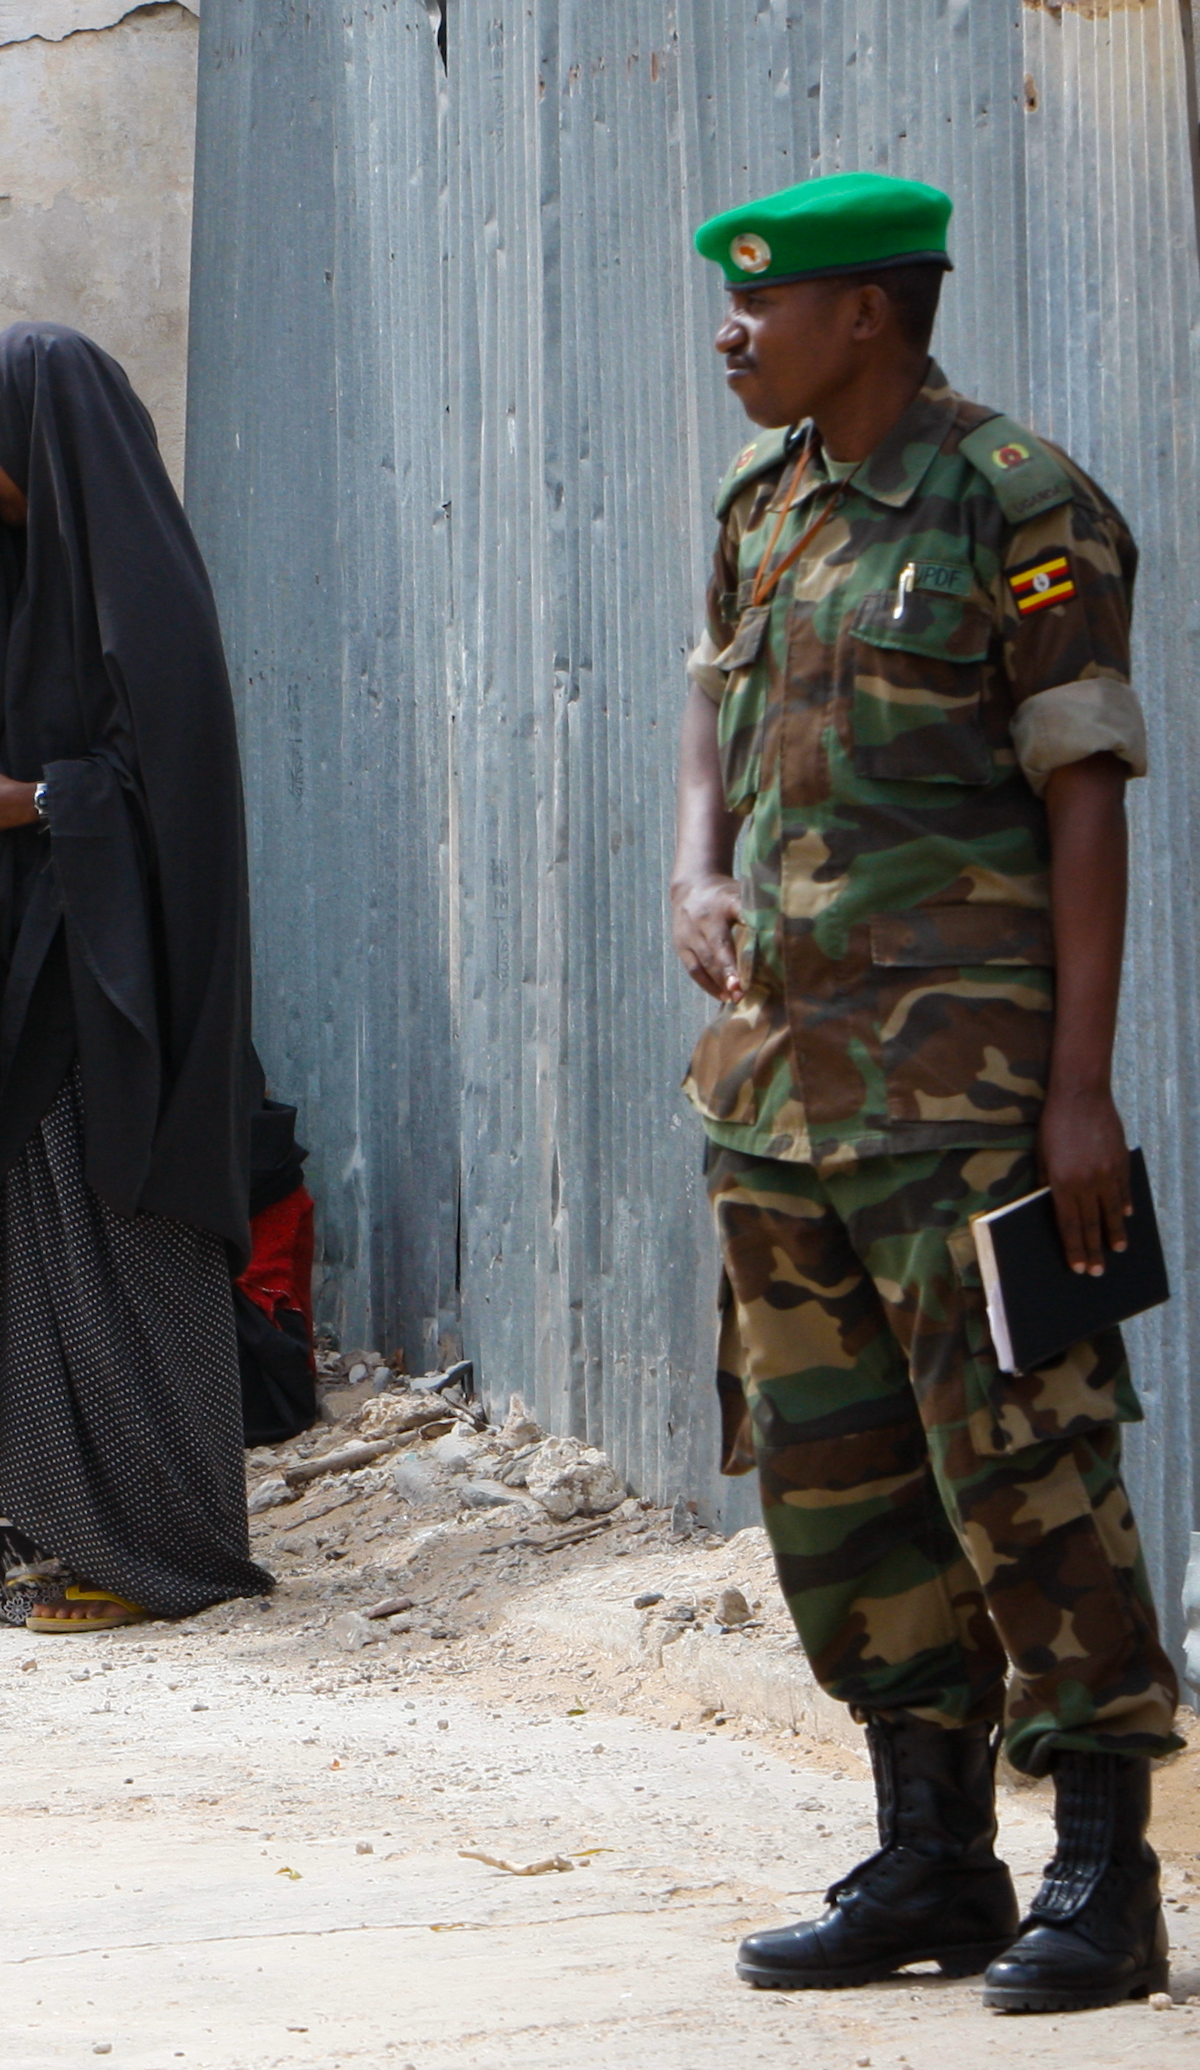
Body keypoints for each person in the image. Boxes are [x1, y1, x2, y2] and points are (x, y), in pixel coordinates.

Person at [666, 173, 1177, 2014]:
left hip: (959, 1108)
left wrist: (1077, 1096)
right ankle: (930, 1861)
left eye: (760, 306)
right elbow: (707, 714)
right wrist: (692, 871)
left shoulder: (1010, 506)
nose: (728, 334)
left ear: (864, 314)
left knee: (1029, 1481)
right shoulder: (759, 504)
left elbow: (1084, 794)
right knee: (838, 1491)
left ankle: (1104, 1880)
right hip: (772, 1102)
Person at [0, 323, 274, 1637]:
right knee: (8, 1263)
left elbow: (172, 798)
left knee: (119, 1257)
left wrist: (27, 802)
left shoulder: (142, 591)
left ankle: (156, 1544)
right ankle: (30, 1530)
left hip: (107, 999)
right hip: (13, 980)